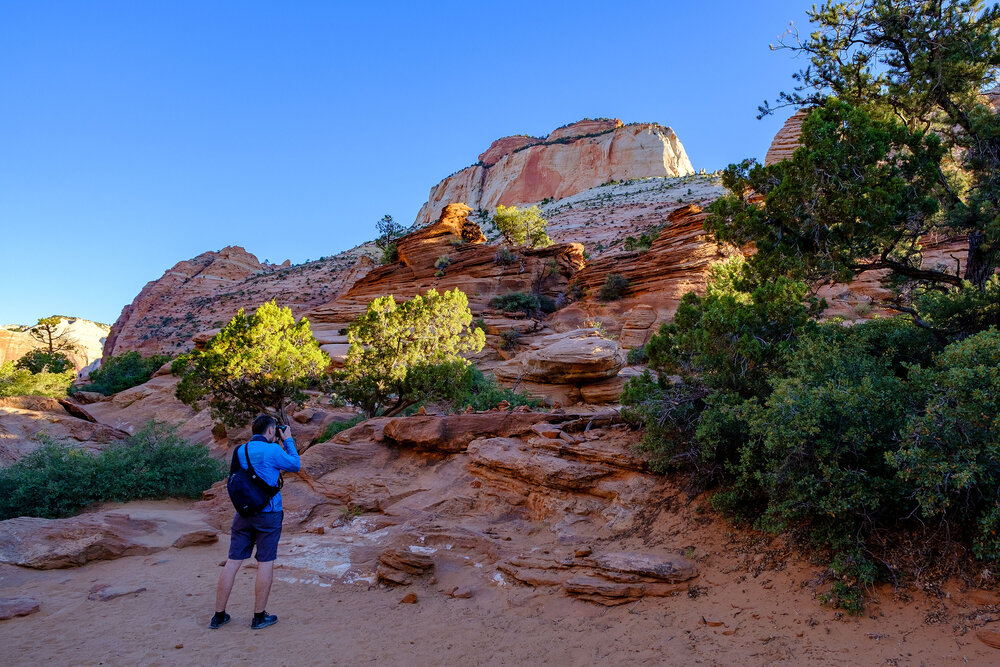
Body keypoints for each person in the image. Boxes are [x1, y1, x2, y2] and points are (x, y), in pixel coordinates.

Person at [209, 414, 300, 630]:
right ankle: (259, 617)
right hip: (269, 514)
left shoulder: (240, 450)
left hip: (244, 513)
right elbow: (295, 465)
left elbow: (234, 479)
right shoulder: (274, 450)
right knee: (265, 562)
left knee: (232, 562)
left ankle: (218, 615)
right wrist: (287, 440)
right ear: (271, 431)